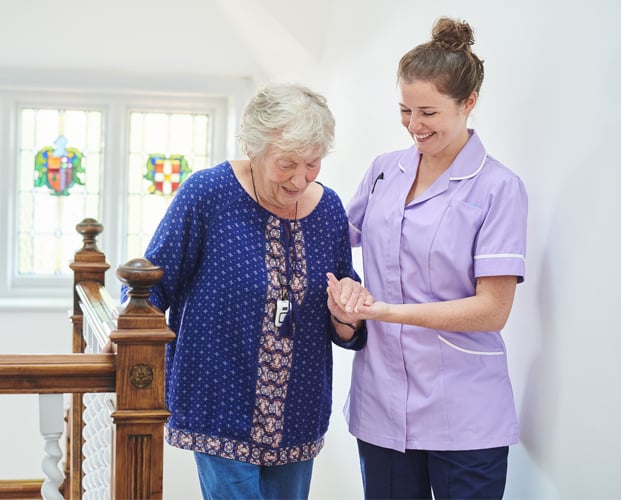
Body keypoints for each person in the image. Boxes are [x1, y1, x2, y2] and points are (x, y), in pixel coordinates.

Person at [326, 17, 528, 500]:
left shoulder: (499, 188)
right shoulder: (383, 172)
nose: (414, 126)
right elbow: (331, 239)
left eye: (428, 113)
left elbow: (492, 310)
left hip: (464, 411)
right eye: (405, 110)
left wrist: (384, 312)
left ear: (469, 104)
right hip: (382, 404)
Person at [139, 83, 367, 499]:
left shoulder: (330, 209)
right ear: (253, 148)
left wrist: (347, 315)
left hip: (298, 410)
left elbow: (343, 314)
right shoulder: (208, 194)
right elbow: (150, 288)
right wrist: (133, 360)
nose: (300, 178)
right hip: (218, 401)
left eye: (312, 163)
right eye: (287, 164)